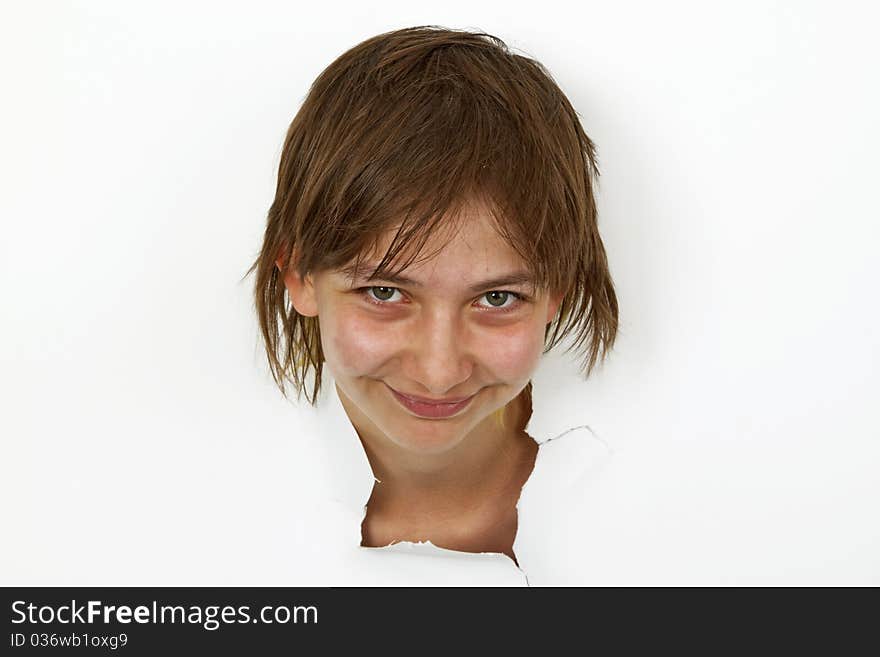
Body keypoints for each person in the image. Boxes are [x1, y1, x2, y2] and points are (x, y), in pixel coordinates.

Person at [245, 25, 618, 584]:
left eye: (497, 298)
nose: (439, 371)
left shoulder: (642, 510)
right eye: (385, 293)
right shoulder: (215, 522)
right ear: (299, 275)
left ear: (556, 293)